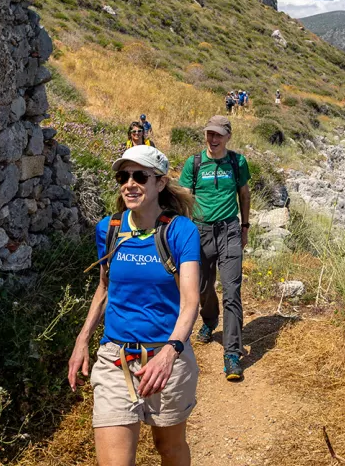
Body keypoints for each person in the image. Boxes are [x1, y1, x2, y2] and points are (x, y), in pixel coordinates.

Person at [68, 145, 201, 466]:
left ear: (160, 183)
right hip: (116, 358)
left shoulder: (181, 231)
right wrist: (82, 339)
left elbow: (190, 301)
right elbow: (104, 287)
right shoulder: (109, 228)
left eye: (140, 176)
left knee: (169, 449)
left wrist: (170, 352)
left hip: (167, 357)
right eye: (123, 176)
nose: (130, 183)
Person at [178, 115, 251, 381]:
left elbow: (244, 194)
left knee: (232, 290)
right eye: (210, 133)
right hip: (200, 231)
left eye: (219, 134)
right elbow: (184, 198)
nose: (213, 139)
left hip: (230, 230)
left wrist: (245, 227)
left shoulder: (237, 162)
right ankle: (209, 320)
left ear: (228, 137)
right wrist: (182, 233)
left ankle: (232, 353)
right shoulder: (194, 163)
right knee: (202, 287)